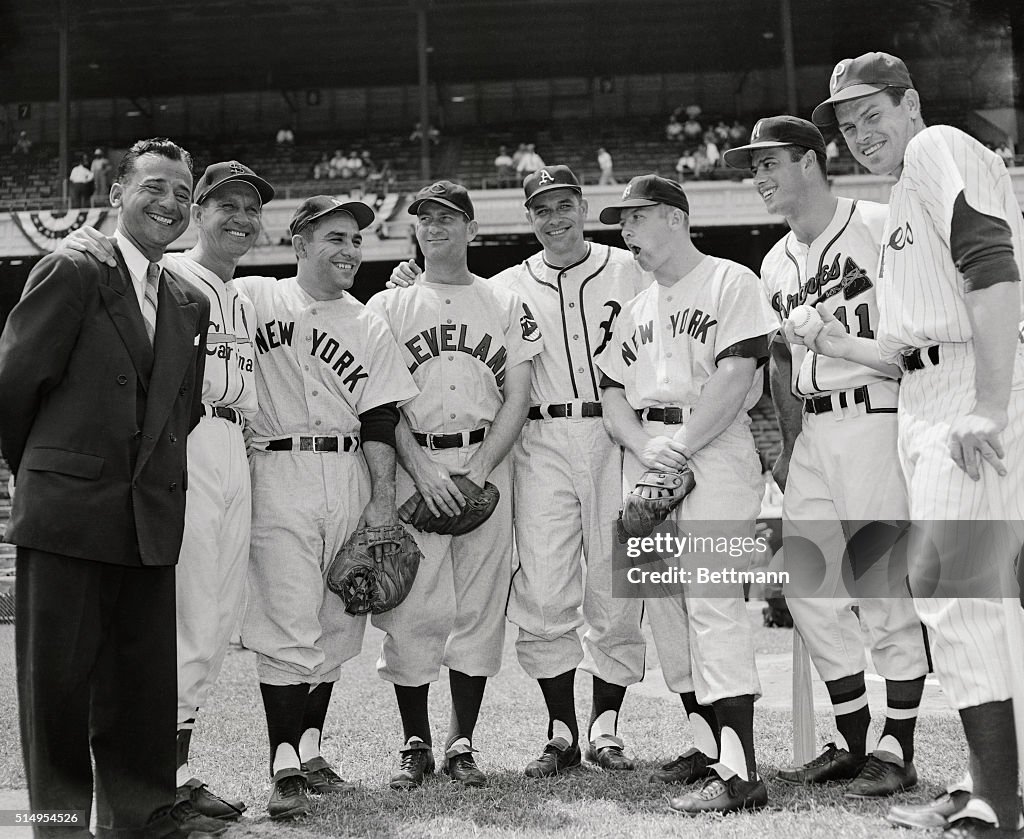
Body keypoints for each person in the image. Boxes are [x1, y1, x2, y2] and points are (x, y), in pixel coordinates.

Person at [809, 52, 1024, 838]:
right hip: (930, 389)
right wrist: (833, 339)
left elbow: (993, 266)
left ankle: (999, 804)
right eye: (847, 123)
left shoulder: (937, 149)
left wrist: (989, 407)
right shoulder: (901, 193)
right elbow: (908, 346)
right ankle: (989, 782)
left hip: (971, 385)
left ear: (911, 105)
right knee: (987, 602)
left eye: (874, 114)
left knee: (957, 590)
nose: (861, 134)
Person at [389, 165, 649, 779]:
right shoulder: (506, 286)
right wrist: (409, 277)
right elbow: (441, 289)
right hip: (538, 438)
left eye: (564, 205)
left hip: (618, 431)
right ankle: (560, 731)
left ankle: (606, 727)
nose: (554, 218)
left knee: (621, 582)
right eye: (541, 209)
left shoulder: (631, 268)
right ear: (527, 217)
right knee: (544, 586)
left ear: (583, 207)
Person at [0, 137, 224, 839]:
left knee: (140, 690)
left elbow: (179, 411)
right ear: (116, 193)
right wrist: (49, 475)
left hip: (148, 513)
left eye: (183, 193)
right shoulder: (72, 267)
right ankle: (59, 824)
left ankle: (139, 814)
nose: (170, 203)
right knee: (57, 694)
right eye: (155, 186)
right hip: (68, 510)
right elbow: (14, 387)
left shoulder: (189, 296)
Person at [59, 160, 277, 821]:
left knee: (211, 623)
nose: (240, 217)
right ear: (198, 213)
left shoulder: (241, 293)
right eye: (225, 205)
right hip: (185, 444)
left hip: (232, 444)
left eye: (252, 208)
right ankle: (148, 782)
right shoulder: (169, 277)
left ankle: (175, 772)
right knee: (179, 618)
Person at [723, 116, 929, 797]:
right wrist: (786, 445)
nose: (758, 177)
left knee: (879, 584)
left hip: (874, 414)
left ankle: (897, 745)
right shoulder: (776, 259)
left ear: (810, 161)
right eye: (753, 166)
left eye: (770, 163)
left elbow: (913, 339)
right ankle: (852, 736)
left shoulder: (877, 225)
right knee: (806, 584)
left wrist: (842, 346)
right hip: (814, 431)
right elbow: (781, 356)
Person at [595, 174, 775, 815]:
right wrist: (646, 448)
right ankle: (707, 746)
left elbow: (736, 376)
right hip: (649, 456)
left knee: (713, 603)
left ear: (674, 218)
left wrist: (679, 446)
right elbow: (612, 388)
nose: (626, 233)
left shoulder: (731, 281)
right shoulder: (640, 305)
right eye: (621, 224)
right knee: (666, 606)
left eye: (636, 219)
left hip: (714, 451)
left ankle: (742, 770)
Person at [239, 196, 418, 819]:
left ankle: (311, 750)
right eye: (335, 238)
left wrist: (381, 501)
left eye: (356, 241)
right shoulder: (254, 298)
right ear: (299, 244)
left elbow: (379, 418)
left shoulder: (367, 320)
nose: (349, 251)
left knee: (341, 619)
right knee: (286, 617)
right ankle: (282, 762)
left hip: (345, 467)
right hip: (276, 464)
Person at [367, 181, 540, 790]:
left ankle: (461, 741)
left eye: (448, 218)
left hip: (486, 461)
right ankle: (414, 742)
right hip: (418, 464)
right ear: (413, 229)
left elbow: (517, 396)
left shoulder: (504, 301)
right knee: (412, 607)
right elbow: (382, 404)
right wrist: (420, 469)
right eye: (425, 218)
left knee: (479, 608)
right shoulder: (387, 307)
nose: (434, 226)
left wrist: (481, 468)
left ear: (473, 229)